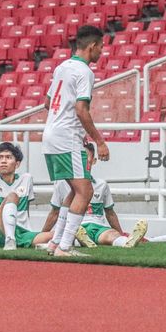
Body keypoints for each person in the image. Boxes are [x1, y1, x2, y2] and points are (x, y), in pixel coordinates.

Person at [42, 25, 111, 257]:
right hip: (66, 137)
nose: (102, 51)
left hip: (51, 134)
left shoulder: (62, 67)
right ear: (92, 46)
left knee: (74, 190)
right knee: (86, 191)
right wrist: (99, 141)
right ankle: (65, 247)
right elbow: (82, 110)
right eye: (101, 47)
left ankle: (55, 244)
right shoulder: (85, 72)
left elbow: (47, 102)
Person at [45, 143, 147, 248]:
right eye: (80, 158)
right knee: (73, 233)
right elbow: (54, 213)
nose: (82, 162)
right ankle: (81, 239)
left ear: (93, 161)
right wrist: (42, 234)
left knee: (111, 234)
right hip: (74, 227)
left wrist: (120, 232)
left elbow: (110, 213)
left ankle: (126, 241)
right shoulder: (62, 184)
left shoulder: (101, 185)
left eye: (85, 158)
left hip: (97, 226)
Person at [0, 142, 52, 250]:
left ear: (17, 164)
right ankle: (10, 240)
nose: (3, 161)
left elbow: (25, 211)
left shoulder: (26, 178)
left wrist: (28, 230)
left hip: (20, 231)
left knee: (52, 235)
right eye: (0, 157)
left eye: (8, 157)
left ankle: (22, 242)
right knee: (12, 196)